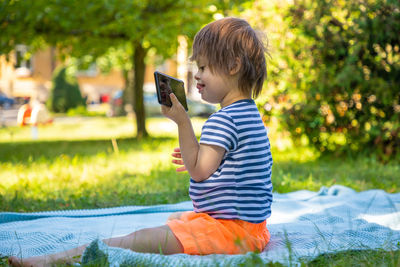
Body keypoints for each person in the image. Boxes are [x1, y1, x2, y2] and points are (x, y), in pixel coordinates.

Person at [9, 17, 272, 267]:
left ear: (233, 66)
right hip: (255, 230)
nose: (197, 76)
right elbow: (229, 166)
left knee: (139, 239)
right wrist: (197, 151)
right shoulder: (250, 114)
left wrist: (182, 122)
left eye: (203, 67)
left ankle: (57, 259)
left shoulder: (223, 120)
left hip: (231, 233)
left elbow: (199, 171)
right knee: (175, 219)